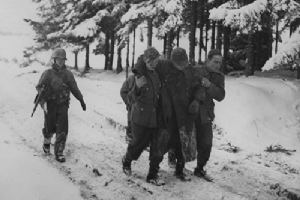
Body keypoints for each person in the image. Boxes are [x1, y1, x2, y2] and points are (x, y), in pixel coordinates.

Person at [155, 47, 205, 181]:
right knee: (162, 143)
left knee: (183, 144)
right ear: (172, 62)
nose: (182, 66)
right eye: (179, 64)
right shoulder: (164, 66)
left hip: (185, 115)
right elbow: (144, 62)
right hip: (168, 114)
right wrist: (138, 73)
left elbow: (200, 87)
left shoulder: (192, 71)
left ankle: (179, 170)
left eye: (185, 63)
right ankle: (153, 170)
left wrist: (196, 100)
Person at [121, 47, 164, 186]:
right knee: (138, 145)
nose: (153, 63)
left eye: (156, 60)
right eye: (150, 61)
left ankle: (152, 175)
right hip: (139, 118)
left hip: (155, 118)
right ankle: (127, 161)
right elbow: (128, 97)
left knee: (157, 147)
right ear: (145, 60)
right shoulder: (135, 77)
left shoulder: (156, 75)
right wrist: (137, 88)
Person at [35, 48, 86, 162]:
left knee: (62, 129)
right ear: (54, 60)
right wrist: (42, 91)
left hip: (63, 104)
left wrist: (81, 99)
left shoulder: (67, 74)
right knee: (49, 127)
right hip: (50, 104)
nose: (61, 61)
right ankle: (47, 142)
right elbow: (39, 86)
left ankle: (59, 152)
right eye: (59, 59)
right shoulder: (47, 73)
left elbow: (74, 88)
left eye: (63, 59)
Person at [191, 49, 225, 181]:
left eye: (220, 63)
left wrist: (210, 85)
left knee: (206, 143)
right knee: (185, 140)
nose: (218, 65)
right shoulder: (196, 70)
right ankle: (177, 163)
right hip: (191, 111)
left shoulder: (219, 77)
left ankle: (199, 168)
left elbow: (221, 96)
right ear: (208, 60)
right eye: (215, 62)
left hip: (206, 114)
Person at [120, 74, 135, 143]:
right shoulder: (131, 78)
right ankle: (130, 137)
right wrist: (128, 102)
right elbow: (123, 91)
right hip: (133, 107)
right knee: (131, 121)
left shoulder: (151, 77)